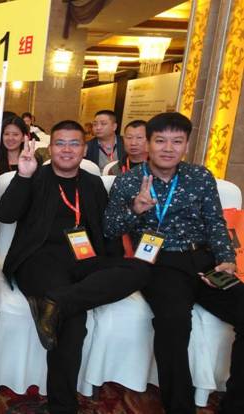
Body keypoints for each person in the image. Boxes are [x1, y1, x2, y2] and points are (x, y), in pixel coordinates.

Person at [0, 120, 151, 414]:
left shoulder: (92, 183)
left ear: (84, 149)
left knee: (141, 270)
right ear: (51, 148)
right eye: (60, 143)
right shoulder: (35, 177)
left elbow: (106, 231)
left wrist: (115, 261)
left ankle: (56, 302)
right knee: (73, 324)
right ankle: (62, 407)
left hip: (84, 259)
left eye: (74, 144)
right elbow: (6, 215)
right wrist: (23, 176)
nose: (67, 150)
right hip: (38, 260)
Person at [105, 112, 244, 414]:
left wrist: (226, 259)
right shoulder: (128, 181)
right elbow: (110, 229)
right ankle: (180, 406)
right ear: (148, 144)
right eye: (161, 141)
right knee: (174, 322)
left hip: (204, 259)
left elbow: (215, 222)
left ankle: (236, 403)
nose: (168, 148)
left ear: (186, 145)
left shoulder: (200, 177)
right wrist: (135, 209)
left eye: (177, 141)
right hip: (159, 261)